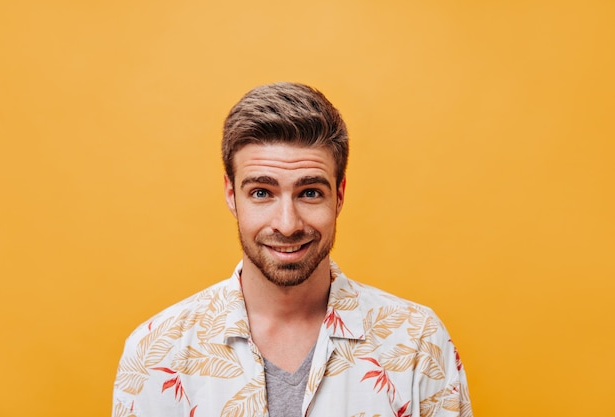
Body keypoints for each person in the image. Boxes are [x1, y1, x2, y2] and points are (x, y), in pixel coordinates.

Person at [112, 82, 473, 417]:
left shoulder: (418, 342)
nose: (287, 224)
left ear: (340, 195)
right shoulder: (154, 351)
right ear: (231, 195)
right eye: (261, 193)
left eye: (310, 192)